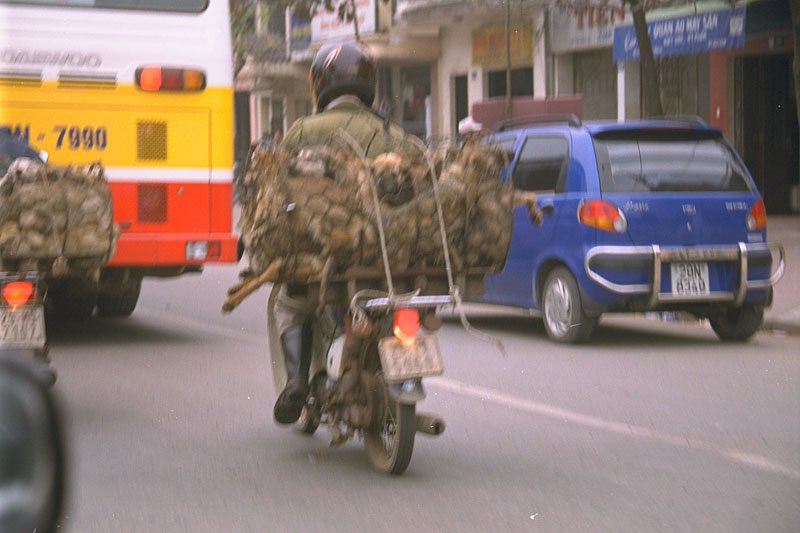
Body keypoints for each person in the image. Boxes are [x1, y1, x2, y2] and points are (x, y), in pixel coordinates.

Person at [269, 40, 422, 425]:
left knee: (288, 304)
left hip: (326, 261)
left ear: (320, 85)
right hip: (390, 262)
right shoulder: (396, 136)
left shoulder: (302, 131)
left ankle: (296, 382)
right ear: (370, 85)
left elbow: (277, 192)